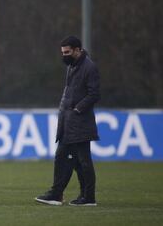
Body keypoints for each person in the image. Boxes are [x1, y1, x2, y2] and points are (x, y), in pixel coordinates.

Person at [35, 36, 100, 206]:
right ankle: (58, 194)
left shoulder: (89, 67)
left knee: (83, 161)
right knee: (65, 158)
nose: (64, 56)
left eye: (68, 52)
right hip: (68, 122)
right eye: (63, 53)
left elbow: (94, 94)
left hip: (80, 122)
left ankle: (87, 197)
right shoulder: (72, 66)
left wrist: (77, 109)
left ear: (78, 50)